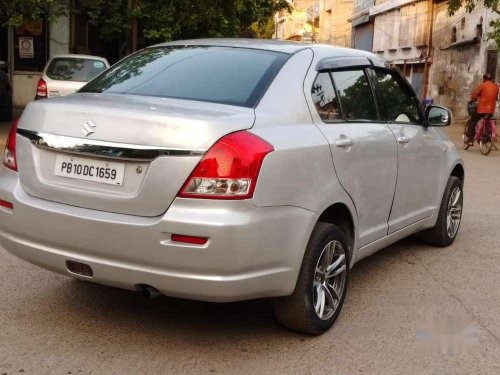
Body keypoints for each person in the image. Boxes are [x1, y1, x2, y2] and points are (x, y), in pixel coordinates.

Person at [470, 73, 499, 142]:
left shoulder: (482, 85)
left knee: (472, 121)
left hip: (482, 110)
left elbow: (474, 95)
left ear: (484, 79)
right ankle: (487, 137)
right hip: (491, 110)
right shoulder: (496, 87)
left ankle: (470, 138)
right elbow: (496, 97)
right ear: (491, 79)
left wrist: (473, 100)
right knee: (487, 120)